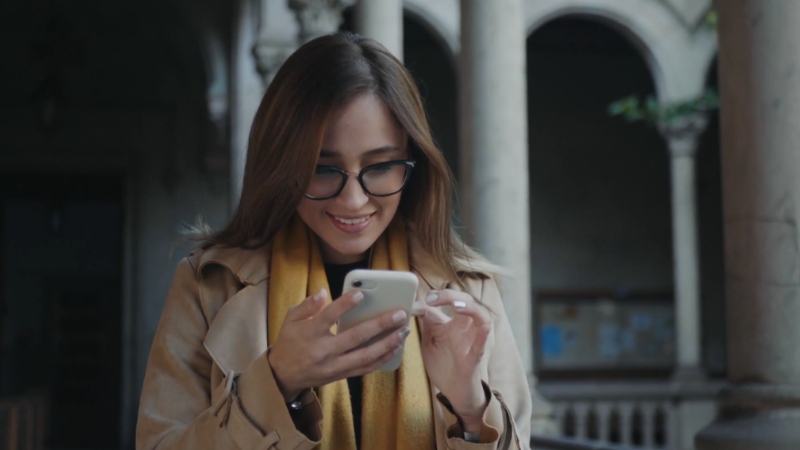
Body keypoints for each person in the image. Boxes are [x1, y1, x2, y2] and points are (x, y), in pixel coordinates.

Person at [136, 32, 532, 450]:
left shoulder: (468, 288)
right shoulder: (208, 286)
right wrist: (277, 383)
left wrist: (470, 409)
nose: (354, 199)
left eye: (380, 166)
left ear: (412, 165)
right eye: (323, 169)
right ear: (283, 166)